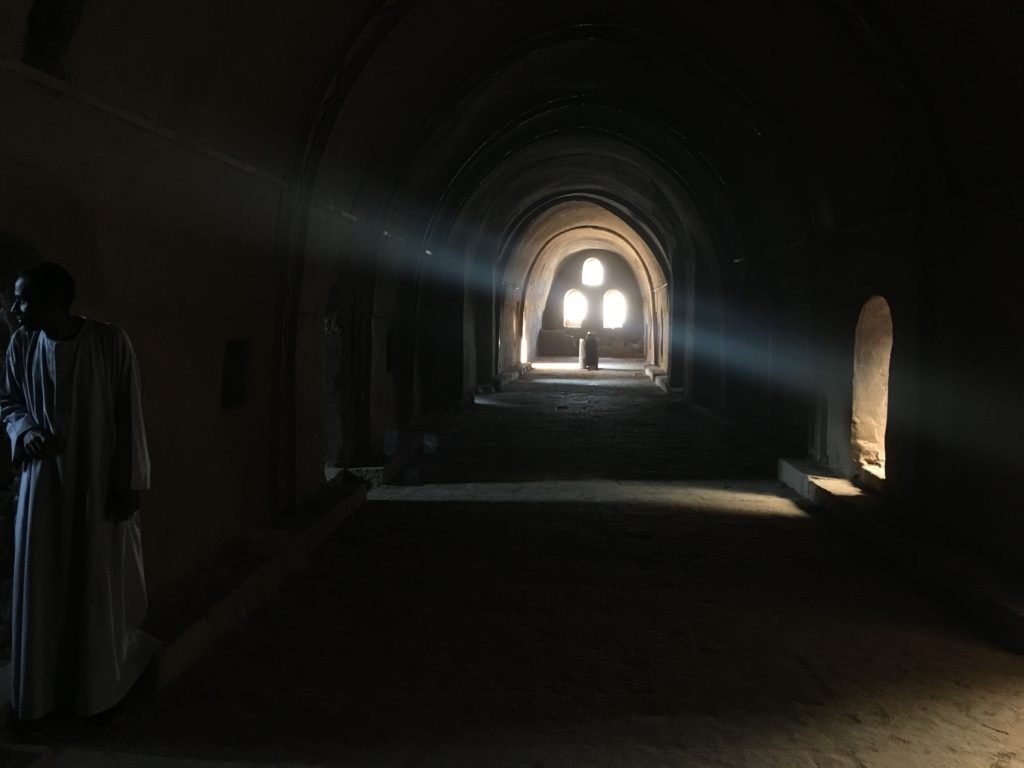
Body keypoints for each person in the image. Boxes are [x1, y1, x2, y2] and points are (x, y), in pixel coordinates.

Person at [0, 262, 158, 725]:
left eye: (24, 299)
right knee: (42, 581)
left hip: (95, 481)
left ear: (55, 301)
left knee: (93, 579)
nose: (16, 307)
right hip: (43, 486)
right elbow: (7, 400)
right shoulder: (21, 344)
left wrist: (129, 481)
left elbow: (129, 413)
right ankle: (41, 694)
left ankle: (96, 689)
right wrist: (25, 429)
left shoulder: (109, 342)